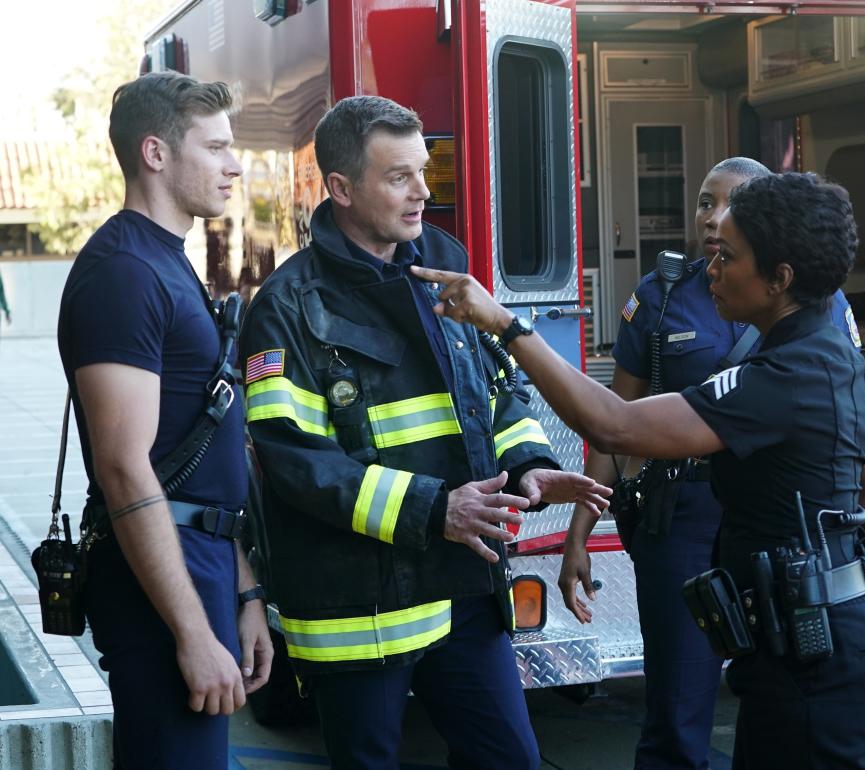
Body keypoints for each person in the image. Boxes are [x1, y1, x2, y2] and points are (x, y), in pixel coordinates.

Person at [413, 171, 865, 770]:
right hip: (824, 647)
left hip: (819, 664)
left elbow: (614, 425)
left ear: (779, 280)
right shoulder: (830, 355)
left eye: (731, 257)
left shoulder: (785, 378)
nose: (714, 267)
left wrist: (506, 326)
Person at [238, 95, 610, 770]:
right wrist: (436, 508)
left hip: (461, 588)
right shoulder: (286, 307)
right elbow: (294, 461)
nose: (424, 192)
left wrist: (526, 463)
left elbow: (494, 390)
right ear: (342, 189)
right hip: (357, 608)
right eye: (400, 176)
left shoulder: (442, 262)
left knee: (510, 760)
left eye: (424, 170)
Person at [558, 157, 863, 770]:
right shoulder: (662, 295)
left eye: (731, 206)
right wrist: (578, 535)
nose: (712, 218)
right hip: (685, 519)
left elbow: (854, 434)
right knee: (677, 706)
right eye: (704, 202)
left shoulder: (817, 304)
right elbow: (619, 426)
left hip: (777, 530)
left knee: (780, 702)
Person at [57, 72, 273, 770]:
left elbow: (195, 449)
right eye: (215, 148)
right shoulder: (123, 272)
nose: (234, 165)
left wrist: (242, 591)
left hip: (201, 560)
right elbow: (124, 468)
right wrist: (190, 630)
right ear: (155, 153)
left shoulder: (168, 261)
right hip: (160, 577)